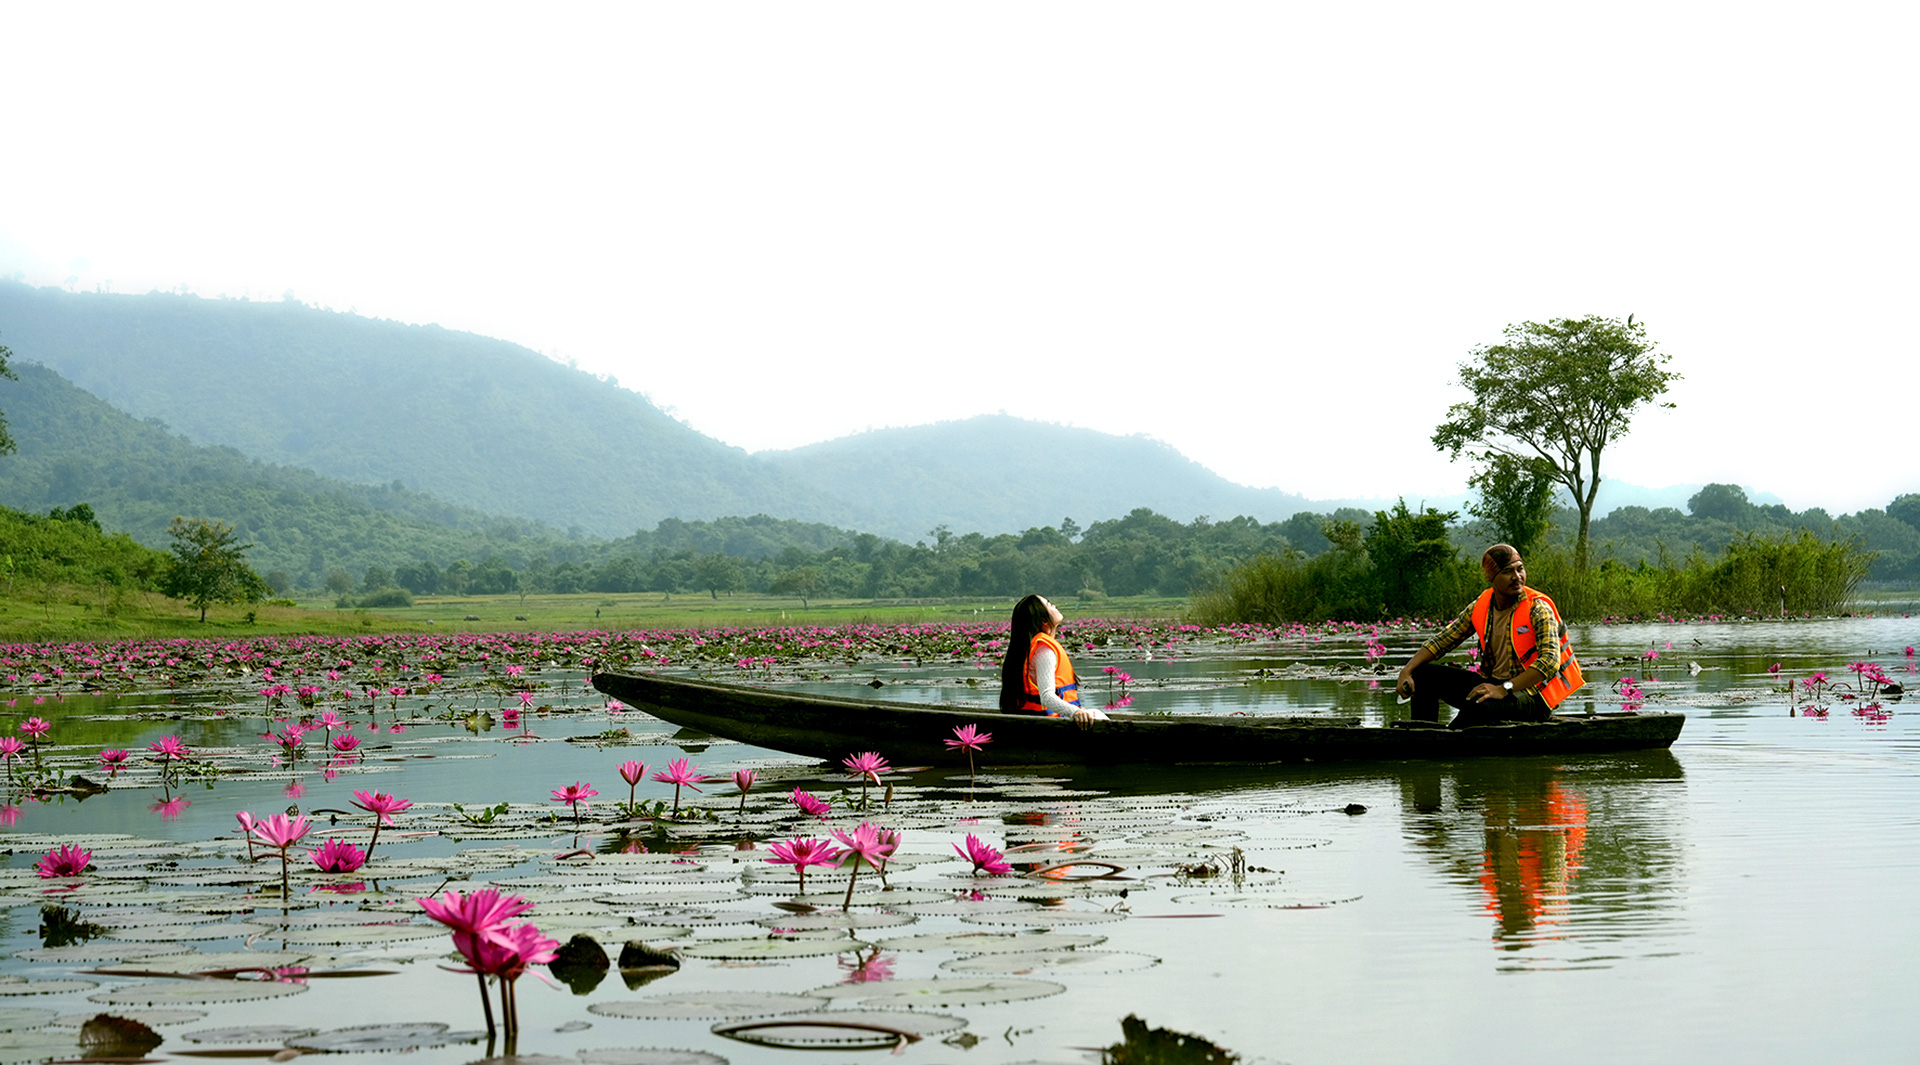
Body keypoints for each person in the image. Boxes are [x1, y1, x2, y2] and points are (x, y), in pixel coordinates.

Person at [1393, 543, 1585, 728]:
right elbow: (1442, 641)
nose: (1517, 577)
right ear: (1491, 577)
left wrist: (1504, 689)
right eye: (1508, 572)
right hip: (1494, 687)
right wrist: (1407, 670)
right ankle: (1423, 732)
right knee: (1423, 675)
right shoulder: (1481, 606)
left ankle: (1447, 740)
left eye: (1520, 569)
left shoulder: (1538, 609)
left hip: (1532, 697)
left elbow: (1549, 662)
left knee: (1479, 705)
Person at [998, 594, 1109, 727]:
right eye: (1049, 604)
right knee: (1098, 716)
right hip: (1047, 723)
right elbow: (1047, 697)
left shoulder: (1037, 647)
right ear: (1044, 621)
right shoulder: (1044, 650)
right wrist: (1075, 712)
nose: (1054, 606)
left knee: (1097, 713)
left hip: (1041, 718)